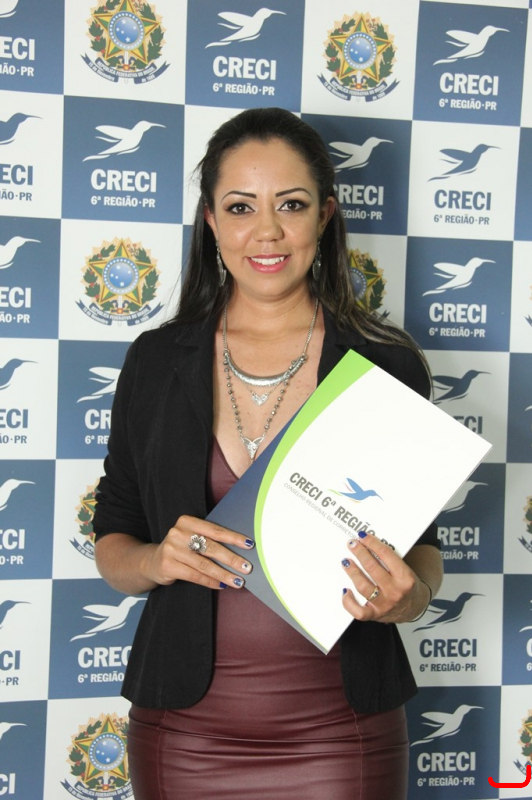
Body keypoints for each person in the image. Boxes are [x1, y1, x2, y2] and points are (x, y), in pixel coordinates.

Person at [93, 107, 443, 800]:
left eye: (291, 204)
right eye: (239, 207)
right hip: (183, 736)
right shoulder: (156, 360)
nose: (267, 232)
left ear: (325, 215)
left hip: (342, 734)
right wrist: (156, 561)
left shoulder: (387, 364)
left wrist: (411, 599)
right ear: (210, 220)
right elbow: (114, 541)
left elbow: (421, 549)